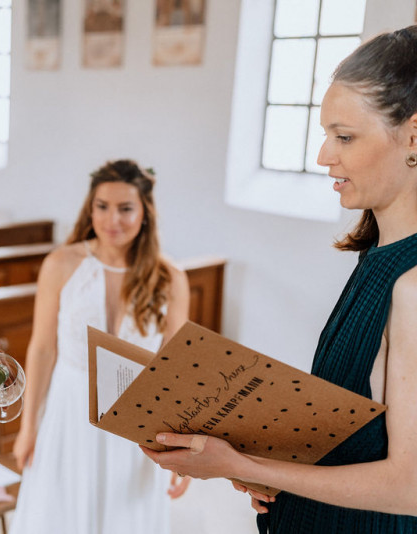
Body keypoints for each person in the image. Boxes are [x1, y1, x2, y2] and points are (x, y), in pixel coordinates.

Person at [142, 25, 417, 534]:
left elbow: (409, 486)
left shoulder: (413, 285)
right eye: (326, 134)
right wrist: (275, 469)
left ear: (413, 137)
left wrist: (241, 466)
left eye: (345, 137)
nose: (323, 156)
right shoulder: (379, 258)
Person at [10, 160, 191, 534]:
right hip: (68, 409)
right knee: (59, 512)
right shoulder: (61, 264)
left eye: (126, 208)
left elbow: (176, 370)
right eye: (102, 206)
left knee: (125, 514)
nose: (113, 219)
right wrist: (28, 427)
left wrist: (183, 449)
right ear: (90, 209)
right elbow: (42, 349)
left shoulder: (169, 276)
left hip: (137, 416)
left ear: (145, 213)